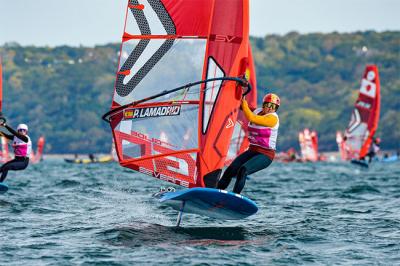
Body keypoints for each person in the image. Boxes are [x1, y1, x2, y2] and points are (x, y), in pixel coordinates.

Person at [217, 93, 280, 194]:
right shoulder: (258, 111)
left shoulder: (272, 118)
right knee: (230, 170)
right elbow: (242, 106)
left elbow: (252, 118)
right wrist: (233, 98)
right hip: (252, 150)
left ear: (276, 108)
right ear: (263, 105)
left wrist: (244, 104)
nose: (269, 108)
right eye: (267, 105)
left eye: (273, 106)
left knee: (243, 170)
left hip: (266, 154)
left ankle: (235, 197)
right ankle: (215, 193)